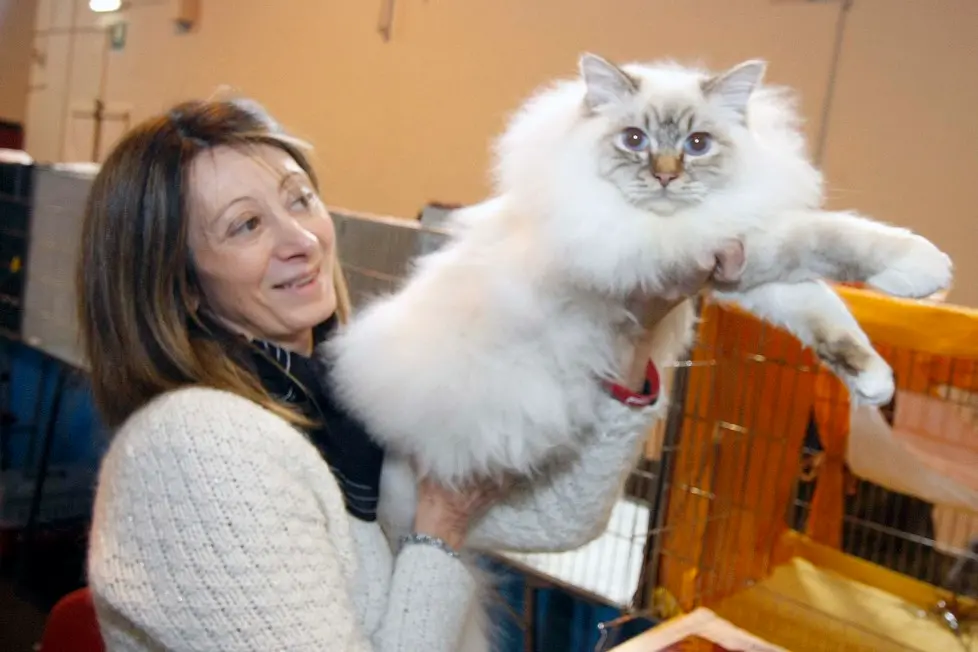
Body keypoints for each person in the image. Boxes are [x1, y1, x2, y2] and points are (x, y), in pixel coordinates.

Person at [77, 98, 739, 651]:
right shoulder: (200, 448)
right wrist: (439, 531)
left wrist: (637, 320)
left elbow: (558, 516)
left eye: (299, 199)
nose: (302, 239)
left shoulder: (334, 397)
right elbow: (447, 514)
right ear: (182, 285)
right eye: (247, 225)